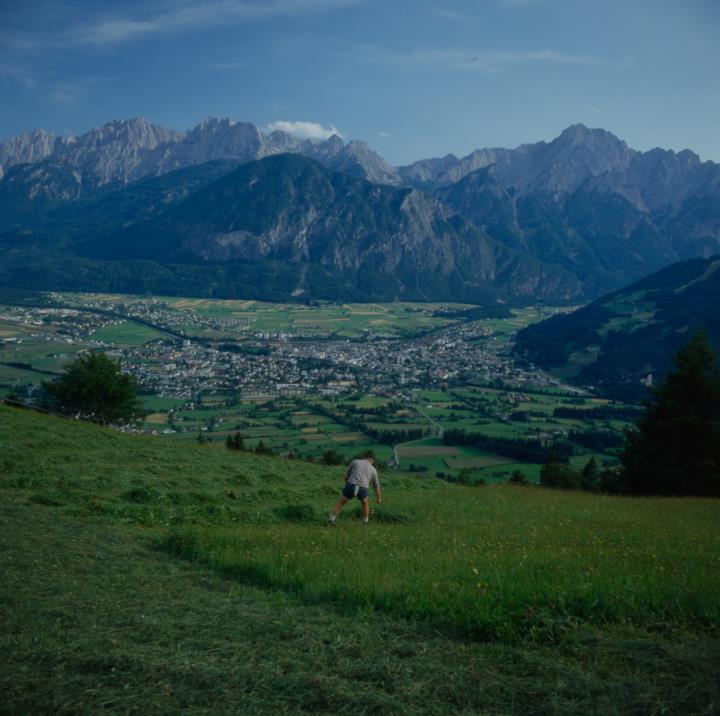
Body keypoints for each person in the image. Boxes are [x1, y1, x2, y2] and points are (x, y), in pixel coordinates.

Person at [327, 453, 381, 525]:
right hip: (363, 488)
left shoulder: (355, 462)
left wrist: (347, 485)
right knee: (365, 504)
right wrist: (378, 498)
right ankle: (365, 522)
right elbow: (376, 485)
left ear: (364, 457)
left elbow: (346, 476)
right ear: (371, 460)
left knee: (341, 502)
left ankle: (331, 520)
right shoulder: (373, 470)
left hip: (351, 485)